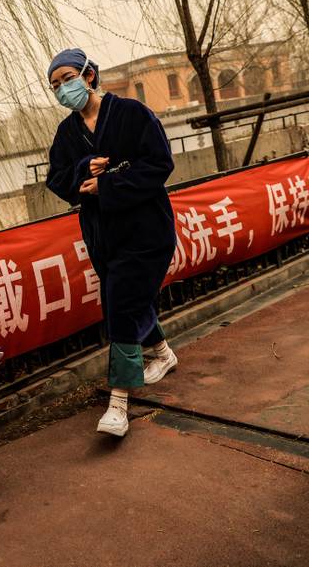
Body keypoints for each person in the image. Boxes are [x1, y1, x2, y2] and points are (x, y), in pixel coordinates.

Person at [45, 49, 178, 437]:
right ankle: (162, 353)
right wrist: (83, 172)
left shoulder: (132, 114)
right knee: (129, 298)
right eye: (54, 85)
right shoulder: (67, 133)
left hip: (146, 231)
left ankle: (118, 400)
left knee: (120, 303)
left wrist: (109, 184)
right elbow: (56, 179)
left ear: (88, 75)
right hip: (103, 238)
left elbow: (159, 164)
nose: (62, 89)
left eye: (67, 78)